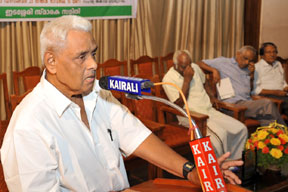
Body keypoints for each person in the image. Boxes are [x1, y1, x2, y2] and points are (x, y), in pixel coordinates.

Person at [0, 16, 242, 191]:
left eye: (94, 53)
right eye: (82, 57)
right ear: (51, 62)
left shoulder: (98, 92)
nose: (94, 64)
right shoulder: (28, 125)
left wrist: (191, 171)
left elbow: (136, 136)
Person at [162, 50, 248, 160]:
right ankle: (219, 167)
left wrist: (212, 97)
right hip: (191, 117)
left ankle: (234, 162)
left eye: (190, 64)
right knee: (220, 136)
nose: (189, 69)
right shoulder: (168, 79)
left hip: (209, 110)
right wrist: (187, 81)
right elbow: (178, 105)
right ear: (175, 65)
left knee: (241, 128)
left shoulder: (194, 67)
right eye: (184, 66)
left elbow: (205, 82)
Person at [197, 45, 286, 126]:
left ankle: (267, 141)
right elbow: (198, 63)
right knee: (267, 103)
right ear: (238, 54)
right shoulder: (223, 62)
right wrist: (214, 70)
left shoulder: (248, 68)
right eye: (245, 58)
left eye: (250, 60)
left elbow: (249, 90)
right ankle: (284, 136)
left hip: (247, 103)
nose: (247, 62)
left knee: (267, 118)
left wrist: (251, 75)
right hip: (232, 106)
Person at [252, 42, 288, 116]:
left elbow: (283, 81)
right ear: (262, 55)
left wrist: (285, 87)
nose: (272, 55)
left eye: (274, 52)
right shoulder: (257, 67)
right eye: (268, 52)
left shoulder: (278, 64)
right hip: (268, 96)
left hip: (283, 94)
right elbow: (255, 90)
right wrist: (275, 92)